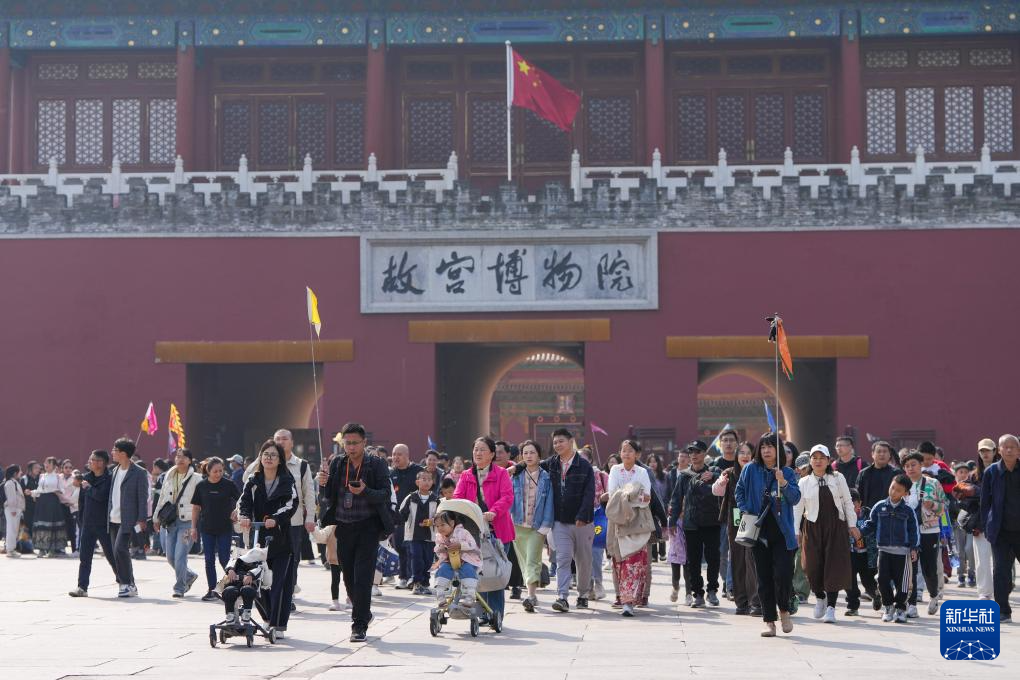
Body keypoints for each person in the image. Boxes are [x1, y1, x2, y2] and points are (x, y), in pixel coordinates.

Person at [318, 423, 395, 643]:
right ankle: (364, 613)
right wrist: (324, 483)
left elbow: (385, 494)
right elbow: (329, 496)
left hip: (368, 526)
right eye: (347, 443)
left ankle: (359, 625)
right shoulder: (338, 463)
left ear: (364, 443)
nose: (351, 447)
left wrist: (365, 491)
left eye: (355, 443)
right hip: (344, 526)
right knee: (348, 577)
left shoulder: (376, 464)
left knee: (362, 577)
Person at [512, 428, 595, 613]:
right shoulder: (552, 463)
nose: (557, 445)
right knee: (563, 559)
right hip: (560, 521)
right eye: (555, 442)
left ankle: (583, 594)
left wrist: (583, 515)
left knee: (583, 560)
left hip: (583, 522)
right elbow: (530, 463)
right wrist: (516, 467)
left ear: (571, 441)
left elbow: (589, 493)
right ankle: (562, 597)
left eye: (561, 441)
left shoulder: (584, 466)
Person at [735, 432, 802, 638]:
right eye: (763, 447)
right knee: (763, 578)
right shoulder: (750, 469)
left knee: (783, 574)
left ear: (777, 449)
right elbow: (739, 491)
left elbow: (795, 498)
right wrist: (745, 510)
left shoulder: (787, 472)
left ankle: (784, 611)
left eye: (770, 447)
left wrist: (783, 483)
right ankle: (769, 621)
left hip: (782, 532)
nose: (766, 451)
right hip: (758, 531)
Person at [238, 440, 298, 637]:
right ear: (260, 457)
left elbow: (291, 504)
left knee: (279, 583)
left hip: (281, 539)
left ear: (280, 460)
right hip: (258, 539)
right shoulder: (253, 480)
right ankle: (267, 617)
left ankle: (278, 624)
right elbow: (244, 502)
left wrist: (276, 519)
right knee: (258, 581)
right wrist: (244, 516)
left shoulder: (287, 480)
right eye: (266, 454)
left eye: (273, 455)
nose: (269, 458)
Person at [793, 445, 858, 624]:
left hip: (836, 527)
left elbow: (847, 501)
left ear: (829, 460)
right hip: (812, 527)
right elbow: (797, 508)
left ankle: (831, 607)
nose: (818, 461)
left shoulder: (838, 478)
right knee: (811, 566)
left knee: (833, 566)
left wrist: (852, 524)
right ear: (810, 461)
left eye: (822, 457)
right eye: (814, 457)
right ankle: (820, 596)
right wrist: (795, 531)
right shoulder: (804, 482)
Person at [454, 436, 515, 623]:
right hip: (472, 533)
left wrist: (493, 512)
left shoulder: (501, 474)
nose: (478, 453)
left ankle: (495, 615)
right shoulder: (466, 475)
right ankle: (482, 613)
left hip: (497, 530)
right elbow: (457, 497)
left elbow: (507, 497)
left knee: (494, 573)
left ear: (491, 454)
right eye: (475, 449)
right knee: (476, 574)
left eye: (482, 450)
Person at [860, 474, 920, 623]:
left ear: (905, 493)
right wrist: (858, 532)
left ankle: (900, 608)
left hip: (903, 553)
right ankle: (888, 607)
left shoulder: (908, 510)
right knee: (882, 580)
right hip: (884, 551)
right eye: (892, 488)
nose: (893, 492)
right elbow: (870, 524)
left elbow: (914, 531)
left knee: (903, 584)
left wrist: (914, 548)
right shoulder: (879, 506)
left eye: (898, 490)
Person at [669, 440, 722, 608]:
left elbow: (725, 480)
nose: (693, 455)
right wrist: (672, 521)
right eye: (691, 451)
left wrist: (714, 477)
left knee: (713, 558)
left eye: (697, 451)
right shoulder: (684, 475)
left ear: (704, 453)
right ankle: (698, 593)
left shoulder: (713, 472)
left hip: (712, 522)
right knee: (693, 560)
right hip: (691, 523)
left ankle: (712, 590)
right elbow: (676, 499)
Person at [712, 441, 760, 615]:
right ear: (737, 456)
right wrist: (721, 483)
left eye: (748, 452)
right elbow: (716, 491)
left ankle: (756, 601)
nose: (745, 456)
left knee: (753, 560)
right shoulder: (729, 473)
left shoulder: (759, 472)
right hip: (735, 522)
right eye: (742, 453)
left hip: (755, 520)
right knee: (738, 560)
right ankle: (741, 602)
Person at [606, 439, 653, 617]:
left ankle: (629, 602)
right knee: (619, 561)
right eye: (623, 450)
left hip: (637, 522)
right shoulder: (615, 470)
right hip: (618, 521)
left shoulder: (642, 472)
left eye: (630, 450)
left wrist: (625, 496)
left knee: (635, 562)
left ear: (637, 454)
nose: (626, 453)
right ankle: (623, 598)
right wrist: (633, 493)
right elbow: (613, 495)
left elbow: (646, 498)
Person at [900, 450, 948, 617]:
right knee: (910, 569)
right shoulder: (901, 483)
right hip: (909, 533)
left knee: (929, 569)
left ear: (921, 465)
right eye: (907, 466)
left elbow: (944, 507)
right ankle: (911, 605)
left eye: (913, 464)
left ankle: (934, 595)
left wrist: (932, 505)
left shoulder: (933, 483)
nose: (910, 468)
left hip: (930, 531)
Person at [980, 434, 1020, 623]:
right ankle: (1003, 610)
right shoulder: (991, 472)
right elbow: (984, 503)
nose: (1009, 450)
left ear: (1019, 451)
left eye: (1013, 447)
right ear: (999, 450)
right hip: (1000, 531)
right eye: (1006, 447)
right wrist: (986, 526)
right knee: (1001, 571)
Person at [510, 440, 554, 612]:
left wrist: (546, 524)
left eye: (532, 452)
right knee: (523, 560)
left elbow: (549, 502)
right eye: (525, 453)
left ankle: (530, 595)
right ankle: (532, 594)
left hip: (537, 526)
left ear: (539, 455)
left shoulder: (546, 477)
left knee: (532, 560)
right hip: (517, 524)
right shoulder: (516, 475)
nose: (528, 456)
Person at [190, 456, 240, 601]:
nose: (218, 474)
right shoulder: (201, 486)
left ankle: (231, 586)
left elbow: (241, 500)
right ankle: (212, 590)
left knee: (225, 559)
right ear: (208, 471)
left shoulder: (229, 484)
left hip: (224, 527)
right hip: (207, 528)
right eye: (215, 471)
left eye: (221, 471)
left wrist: (237, 510)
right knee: (209, 560)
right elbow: (196, 508)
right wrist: (193, 528)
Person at [152, 448, 200, 598]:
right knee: (170, 557)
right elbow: (162, 499)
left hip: (187, 523)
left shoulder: (197, 479)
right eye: (178, 456)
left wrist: (197, 523)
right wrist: (156, 517)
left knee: (180, 555)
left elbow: (201, 502)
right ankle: (189, 575)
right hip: (170, 522)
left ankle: (179, 587)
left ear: (190, 460)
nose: (180, 459)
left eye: (184, 457)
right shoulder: (169, 475)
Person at [69, 451, 118, 596]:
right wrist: (81, 520)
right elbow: (82, 501)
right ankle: (82, 587)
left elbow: (101, 496)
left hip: (104, 524)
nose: (91, 462)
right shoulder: (86, 478)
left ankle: (124, 582)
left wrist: (88, 488)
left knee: (111, 555)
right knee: (85, 557)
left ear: (103, 463)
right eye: (91, 459)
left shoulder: (109, 478)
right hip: (88, 523)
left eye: (95, 460)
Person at [958, 438, 999, 600]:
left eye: (988, 450)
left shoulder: (1003, 471)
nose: (985, 453)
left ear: (995, 451)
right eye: (982, 451)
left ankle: (1001, 590)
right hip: (980, 523)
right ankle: (984, 593)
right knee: (982, 559)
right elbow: (961, 494)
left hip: (1002, 522)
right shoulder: (973, 475)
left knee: (1001, 561)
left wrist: (978, 493)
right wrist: (971, 493)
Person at [108, 438, 149, 598]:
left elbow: (143, 497)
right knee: (116, 552)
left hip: (129, 519)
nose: (112, 452)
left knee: (120, 549)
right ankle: (130, 585)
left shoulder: (139, 472)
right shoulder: (114, 470)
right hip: (113, 517)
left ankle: (125, 584)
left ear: (123, 453)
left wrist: (142, 519)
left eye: (115, 450)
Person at [388, 443, 424, 590]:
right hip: (397, 518)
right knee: (399, 547)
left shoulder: (418, 471)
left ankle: (410, 577)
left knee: (411, 549)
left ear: (407, 456)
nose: (395, 457)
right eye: (394, 454)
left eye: (399, 454)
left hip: (415, 517)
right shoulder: (391, 474)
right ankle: (404, 577)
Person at [432, 510, 482, 613]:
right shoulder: (439, 537)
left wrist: (460, 545)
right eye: (437, 526)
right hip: (449, 561)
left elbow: (472, 545)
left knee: (468, 570)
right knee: (442, 570)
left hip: (467, 559)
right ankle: (440, 594)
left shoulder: (463, 532)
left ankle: (470, 595)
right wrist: (441, 548)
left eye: (442, 525)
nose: (440, 528)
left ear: (452, 523)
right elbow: (436, 549)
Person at [399, 469, 439, 595]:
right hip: (413, 535)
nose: (427, 482)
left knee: (428, 560)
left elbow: (441, 517)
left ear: (432, 482)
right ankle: (416, 582)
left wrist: (433, 521)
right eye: (424, 479)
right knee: (416, 558)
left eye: (429, 479)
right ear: (417, 482)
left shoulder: (436, 499)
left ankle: (425, 584)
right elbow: (401, 513)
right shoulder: (411, 497)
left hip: (430, 536)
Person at [578, 444, 609, 600]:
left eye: (583, 458)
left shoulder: (601, 475)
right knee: (582, 555)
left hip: (598, 517)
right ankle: (588, 586)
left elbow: (611, 495)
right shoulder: (572, 475)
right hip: (580, 519)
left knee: (596, 552)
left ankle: (598, 584)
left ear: (590, 460)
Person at [847, 488, 881, 615]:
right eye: (848, 505)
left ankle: (875, 595)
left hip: (867, 555)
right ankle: (853, 606)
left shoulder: (868, 515)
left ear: (860, 503)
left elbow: (875, 530)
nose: (851, 508)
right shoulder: (842, 516)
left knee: (868, 581)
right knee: (849, 581)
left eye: (854, 505)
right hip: (850, 554)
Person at [31, 457, 67, 557]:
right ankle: (42, 549)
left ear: (54, 466)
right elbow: (39, 490)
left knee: (52, 524)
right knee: (41, 524)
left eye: (49, 463)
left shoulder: (57, 477)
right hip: (42, 501)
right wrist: (32, 492)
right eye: (45, 463)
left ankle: (52, 549)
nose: (46, 465)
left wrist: (57, 491)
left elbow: (62, 490)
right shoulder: (42, 476)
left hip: (52, 501)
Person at [950, 463, 976, 588]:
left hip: (971, 524)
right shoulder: (951, 490)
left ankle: (972, 574)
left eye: (966, 472)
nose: (963, 474)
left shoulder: (973, 489)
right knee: (960, 552)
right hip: (957, 524)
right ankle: (960, 576)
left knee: (970, 549)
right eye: (961, 472)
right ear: (955, 474)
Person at [647, 454, 668, 562]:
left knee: (662, 527)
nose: (652, 464)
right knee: (653, 528)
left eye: (654, 461)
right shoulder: (645, 475)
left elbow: (668, 491)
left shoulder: (665, 476)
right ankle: (654, 554)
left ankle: (662, 552)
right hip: (651, 506)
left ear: (658, 463)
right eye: (650, 462)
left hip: (663, 505)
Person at [3, 465, 25, 557]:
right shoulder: (10, 483)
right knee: (12, 530)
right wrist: (13, 510)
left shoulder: (13, 482)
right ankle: (10, 550)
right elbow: (11, 498)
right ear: (15, 473)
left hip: (15, 509)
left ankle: (11, 549)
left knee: (14, 529)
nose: (21, 473)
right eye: (20, 471)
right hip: (12, 509)